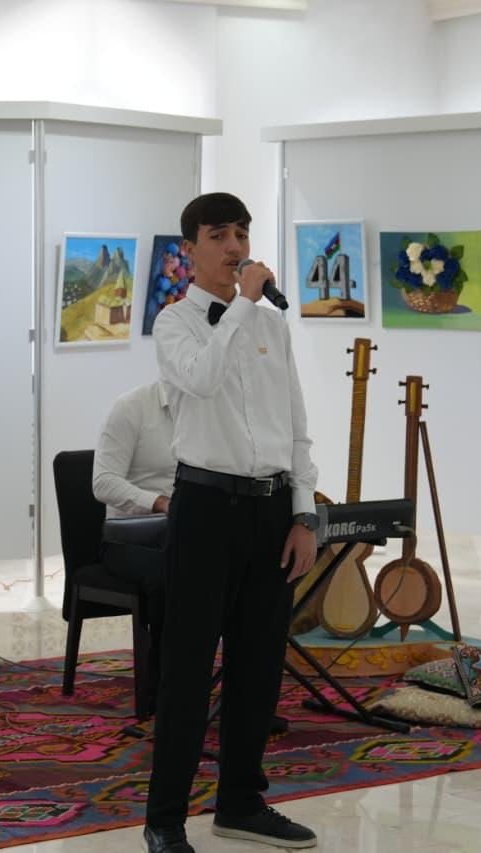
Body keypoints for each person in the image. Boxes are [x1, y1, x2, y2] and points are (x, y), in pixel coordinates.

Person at [144, 193, 320, 853]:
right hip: (206, 508)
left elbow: (296, 426)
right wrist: (243, 304)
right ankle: (164, 819)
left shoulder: (273, 326)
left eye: (242, 233)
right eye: (219, 235)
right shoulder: (174, 323)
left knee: (260, 666)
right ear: (190, 248)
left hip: (271, 512)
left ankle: (241, 803)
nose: (235, 246)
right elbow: (204, 379)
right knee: (188, 670)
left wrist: (304, 513)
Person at [91, 380, 174, 715]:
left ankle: (246, 690)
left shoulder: (211, 411)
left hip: (183, 533)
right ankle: (165, 685)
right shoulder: (132, 407)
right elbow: (103, 482)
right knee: (173, 572)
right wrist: (159, 502)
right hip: (129, 537)